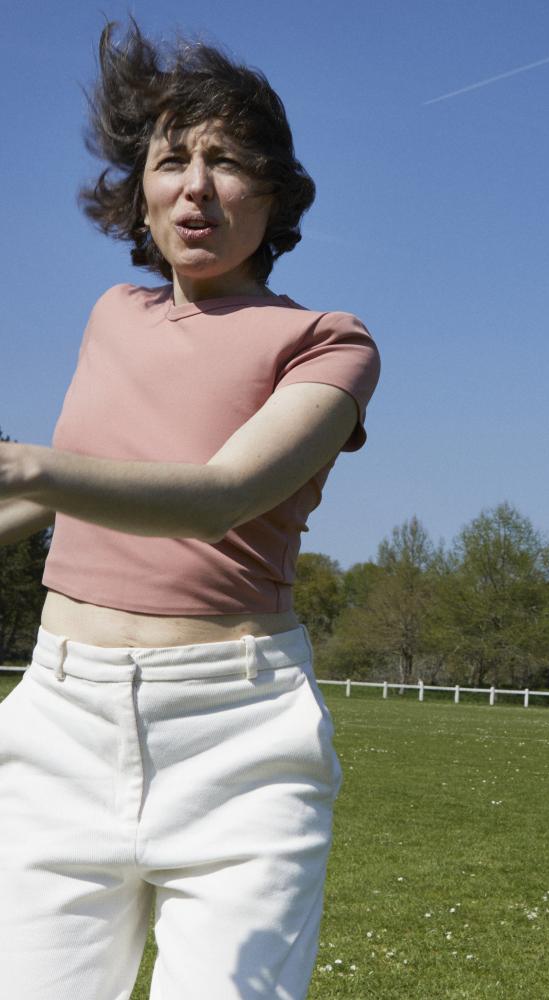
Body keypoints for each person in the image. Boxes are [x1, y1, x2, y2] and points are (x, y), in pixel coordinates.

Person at [0, 20, 379, 1000]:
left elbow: (221, 498)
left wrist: (33, 470)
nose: (195, 187)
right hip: (56, 724)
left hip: (237, 737)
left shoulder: (326, 343)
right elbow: (64, 496)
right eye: (171, 161)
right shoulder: (108, 315)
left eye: (226, 162)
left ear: (277, 194)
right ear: (140, 192)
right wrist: (33, 483)